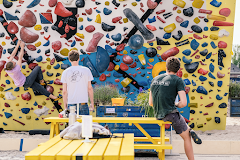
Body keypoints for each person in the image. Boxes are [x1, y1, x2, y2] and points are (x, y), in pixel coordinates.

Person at [149, 56, 201, 160]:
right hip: (170, 115)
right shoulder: (177, 80)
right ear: (178, 70)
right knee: (187, 137)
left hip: (158, 115)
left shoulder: (155, 79)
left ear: (166, 67)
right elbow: (183, 103)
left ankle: (188, 128)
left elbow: (151, 103)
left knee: (178, 117)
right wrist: (176, 104)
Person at [61, 50, 94, 115]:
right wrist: (92, 103)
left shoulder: (65, 72)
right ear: (79, 59)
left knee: (73, 124)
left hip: (71, 103)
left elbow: (64, 91)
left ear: (69, 60)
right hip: (83, 103)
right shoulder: (86, 70)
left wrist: (65, 106)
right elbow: (90, 88)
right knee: (84, 124)